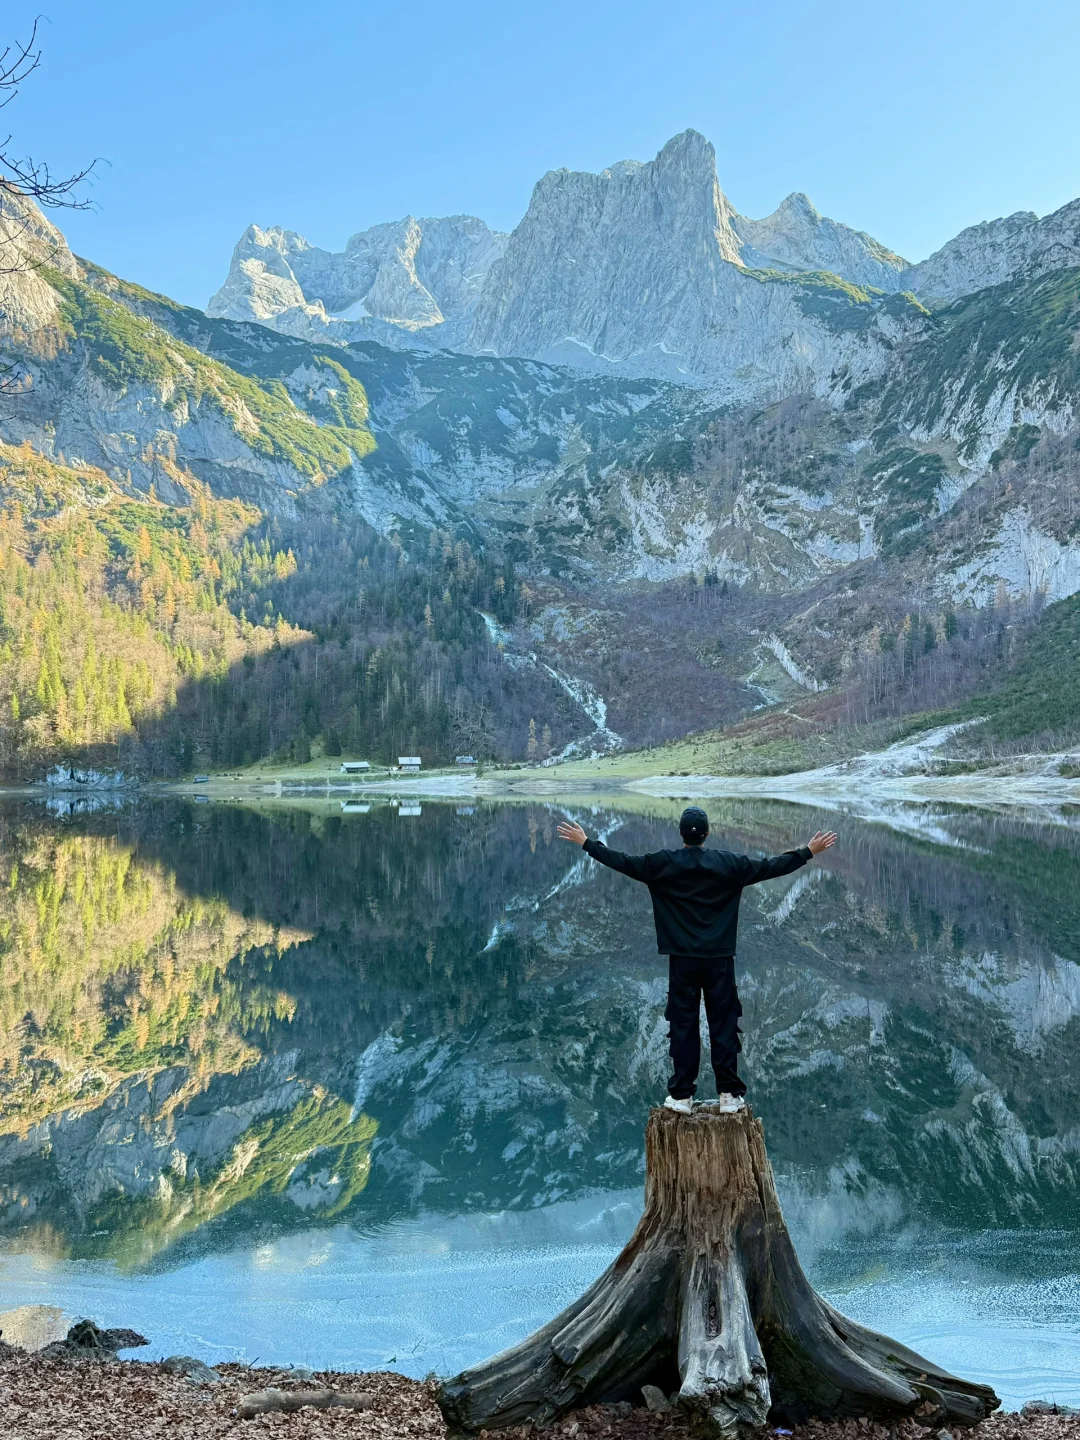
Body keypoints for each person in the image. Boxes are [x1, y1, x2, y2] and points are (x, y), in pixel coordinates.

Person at [556, 807, 837, 1114]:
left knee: (683, 1025)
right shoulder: (731, 864)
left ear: (682, 835)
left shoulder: (661, 864)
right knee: (724, 1025)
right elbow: (772, 866)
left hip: (682, 961)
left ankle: (681, 1096)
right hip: (719, 960)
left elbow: (622, 862)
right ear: (706, 834)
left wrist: (586, 842)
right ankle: (729, 1094)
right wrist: (808, 851)